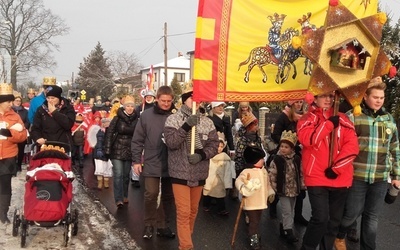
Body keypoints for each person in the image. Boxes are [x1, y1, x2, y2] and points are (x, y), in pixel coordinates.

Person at [334, 77, 400, 250]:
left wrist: (396, 175)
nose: (379, 101)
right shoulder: (353, 117)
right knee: (351, 213)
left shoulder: (389, 120)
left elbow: (395, 149)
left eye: (382, 98)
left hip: (379, 177)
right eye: (375, 97)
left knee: (372, 217)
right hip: (357, 175)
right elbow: (340, 144)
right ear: (365, 96)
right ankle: (340, 235)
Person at [297, 91, 359, 250]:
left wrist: (337, 168)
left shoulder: (344, 119)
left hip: (340, 177)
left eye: (331, 96)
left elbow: (352, 147)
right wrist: (329, 124)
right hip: (316, 176)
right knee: (321, 218)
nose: (328, 99)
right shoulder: (306, 119)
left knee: (333, 223)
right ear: (314, 98)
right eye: (324, 96)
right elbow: (308, 140)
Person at [164, 88, 219, 250]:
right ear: (184, 100)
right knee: (183, 211)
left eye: (199, 100)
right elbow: (172, 143)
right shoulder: (173, 119)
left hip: (199, 171)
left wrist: (201, 155)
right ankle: (186, 246)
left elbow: (214, 145)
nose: (197, 103)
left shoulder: (207, 121)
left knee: (193, 210)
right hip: (179, 172)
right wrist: (186, 126)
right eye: (192, 99)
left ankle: (186, 238)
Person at [131, 86, 177, 239]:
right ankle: (149, 224)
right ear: (157, 99)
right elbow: (137, 139)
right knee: (151, 193)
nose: (165, 104)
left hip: (172, 162)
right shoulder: (146, 116)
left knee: (168, 196)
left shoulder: (176, 115)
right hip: (152, 160)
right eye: (163, 101)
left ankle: (162, 225)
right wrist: (136, 160)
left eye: (169, 101)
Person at [269, 100, 308, 226]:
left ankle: (298, 214)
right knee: (282, 183)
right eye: (296, 102)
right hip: (285, 154)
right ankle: (273, 204)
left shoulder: (305, 116)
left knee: (298, 184)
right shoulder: (284, 116)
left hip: (298, 154)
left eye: (301, 102)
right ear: (291, 104)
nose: (299, 105)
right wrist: (287, 145)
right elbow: (275, 135)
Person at [235, 146, 275, 250]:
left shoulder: (264, 171)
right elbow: (238, 181)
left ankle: (255, 234)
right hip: (251, 202)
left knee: (257, 220)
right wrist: (243, 187)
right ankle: (253, 238)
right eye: (261, 159)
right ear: (255, 161)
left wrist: (270, 193)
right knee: (254, 221)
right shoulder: (247, 171)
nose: (263, 161)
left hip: (261, 202)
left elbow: (267, 184)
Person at [268, 130, 304, 243]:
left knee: (291, 210)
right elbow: (272, 174)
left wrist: (302, 186)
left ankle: (283, 227)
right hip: (282, 190)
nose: (283, 149)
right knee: (287, 211)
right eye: (282, 146)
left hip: (294, 190)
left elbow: (301, 173)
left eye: (286, 147)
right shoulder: (277, 159)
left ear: (292, 148)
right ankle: (289, 231)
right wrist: (274, 188)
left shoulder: (297, 159)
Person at [0, 83, 28, 224]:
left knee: (5, 184)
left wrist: (9, 133)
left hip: (8, 155)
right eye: (8, 101)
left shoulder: (15, 116)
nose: (11, 104)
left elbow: (22, 136)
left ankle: (3, 213)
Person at [104, 95, 138, 208]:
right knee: (118, 174)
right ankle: (118, 199)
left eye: (131, 106)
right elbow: (109, 133)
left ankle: (124, 195)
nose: (129, 108)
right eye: (127, 106)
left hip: (129, 150)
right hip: (117, 149)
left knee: (126, 175)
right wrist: (107, 149)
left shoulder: (137, 120)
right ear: (124, 107)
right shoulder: (117, 118)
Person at [202, 137, 234, 215]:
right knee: (207, 194)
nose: (219, 148)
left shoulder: (225, 159)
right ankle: (206, 205)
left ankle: (221, 209)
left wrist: (227, 184)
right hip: (209, 179)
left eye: (221, 146)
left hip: (219, 180)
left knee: (220, 196)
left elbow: (227, 173)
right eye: (217, 146)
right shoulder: (209, 156)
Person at [234, 112, 263, 177]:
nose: (257, 127)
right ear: (249, 126)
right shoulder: (242, 140)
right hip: (246, 171)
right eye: (255, 125)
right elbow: (239, 157)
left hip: (257, 169)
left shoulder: (257, 139)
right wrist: (241, 171)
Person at [11, 95, 30, 172]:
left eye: (19, 101)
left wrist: (23, 127)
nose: (18, 102)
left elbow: (28, 121)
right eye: (16, 101)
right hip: (12, 133)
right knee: (13, 150)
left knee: (21, 150)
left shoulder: (25, 111)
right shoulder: (10, 111)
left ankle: (19, 165)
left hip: (22, 132)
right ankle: (12, 165)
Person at [94, 118, 113, 190]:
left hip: (108, 152)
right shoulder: (100, 132)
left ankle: (106, 182)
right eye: (107, 122)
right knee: (100, 168)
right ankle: (100, 183)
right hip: (100, 152)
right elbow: (99, 142)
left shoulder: (111, 132)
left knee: (107, 167)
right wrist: (99, 149)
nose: (108, 124)